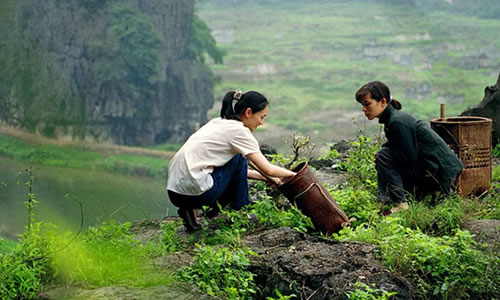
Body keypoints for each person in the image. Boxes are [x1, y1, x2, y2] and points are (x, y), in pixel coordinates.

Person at [167, 90, 296, 231]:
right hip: (198, 194)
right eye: (261, 117)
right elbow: (268, 169)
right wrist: (295, 175)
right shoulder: (240, 132)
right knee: (240, 158)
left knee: (216, 165)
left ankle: (193, 215)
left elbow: (230, 171)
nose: (261, 123)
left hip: (175, 193)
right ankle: (242, 213)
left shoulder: (217, 123)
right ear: (248, 112)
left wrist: (264, 178)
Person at [355, 81, 464, 206]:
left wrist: (382, 158)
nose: (364, 109)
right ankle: (393, 200)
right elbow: (398, 144)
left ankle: (399, 203)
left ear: (383, 101)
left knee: (383, 156)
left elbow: (409, 159)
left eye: (367, 104)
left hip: (440, 174)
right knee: (383, 154)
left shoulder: (397, 122)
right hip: (435, 170)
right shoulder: (394, 119)